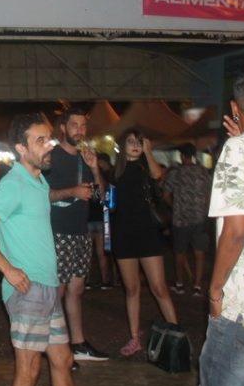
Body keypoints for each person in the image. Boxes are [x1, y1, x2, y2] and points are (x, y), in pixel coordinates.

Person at [0, 113, 76, 386]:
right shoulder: (13, 184)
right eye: (40, 140)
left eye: (49, 138)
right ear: (21, 148)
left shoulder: (38, 182)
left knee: (63, 359)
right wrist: (8, 270)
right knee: (29, 369)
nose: (49, 145)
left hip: (48, 286)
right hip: (28, 290)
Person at [194, 71, 244, 386]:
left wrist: (215, 290)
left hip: (243, 308)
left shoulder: (239, 149)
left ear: (234, 107)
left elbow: (236, 230)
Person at [45, 107, 108, 362]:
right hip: (57, 232)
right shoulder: (51, 157)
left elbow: (101, 196)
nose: (80, 130)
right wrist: (72, 191)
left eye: (83, 126)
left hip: (81, 231)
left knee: (77, 289)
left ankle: (78, 343)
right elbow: (41, 195)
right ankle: (56, 350)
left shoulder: (85, 157)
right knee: (57, 293)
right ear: (63, 127)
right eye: (74, 125)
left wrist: (95, 169)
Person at [111, 128, 178, 356]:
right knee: (131, 289)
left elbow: (159, 176)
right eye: (131, 141)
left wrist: (149, 152)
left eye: (139, 142)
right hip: (123, 235)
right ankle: (134, 338)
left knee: (159, 287)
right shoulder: (115, 172)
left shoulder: (145, 167)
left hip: (148, 234)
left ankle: (177, 336)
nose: (135, 145)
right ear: (123, 145)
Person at [162, 142, 211, 296]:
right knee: (199, 253)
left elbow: (165, 195)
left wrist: (175, 206)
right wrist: (204, 211)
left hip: (180, 219)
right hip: (199, 217)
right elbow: (208, 195)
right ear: (194, 155)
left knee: (179, 252)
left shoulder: (175, 173)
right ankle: (197, 285)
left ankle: (180, 284)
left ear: (182, 156)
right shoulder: (203, 172)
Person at [86, 152, 114, 290]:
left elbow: (94, 198)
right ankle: (105, 280)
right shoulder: (105, 178)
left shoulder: (88, 177)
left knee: (88, 254)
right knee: (101, 253)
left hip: (88, 218)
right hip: (102, 218)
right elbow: (103, 198)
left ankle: (87, 281)